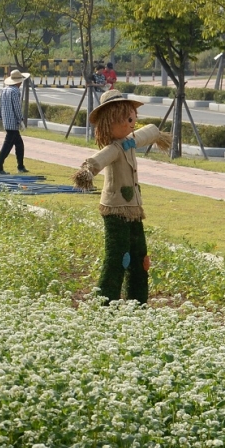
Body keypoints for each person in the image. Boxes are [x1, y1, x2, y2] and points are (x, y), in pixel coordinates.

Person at [73, 90, 171, 304]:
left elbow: (149, 133)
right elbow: (97, 160)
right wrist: (87, 171)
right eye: (125, 120)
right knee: (117, 257)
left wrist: (159, 136)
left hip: (135, 209)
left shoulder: (130, 140)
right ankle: (105, 301)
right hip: (115, 209)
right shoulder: (114, 148)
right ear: (109, 123)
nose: (131, 124)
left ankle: (138, 300)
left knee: (140, 257)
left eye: (132, 118)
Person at [0, 69, 31, 173]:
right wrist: (21, 120)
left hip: (6, 121)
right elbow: (17, 107)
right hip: (13, 122)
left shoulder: (4, 90)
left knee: (19, 144)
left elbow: (0, 105)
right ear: (19, 81)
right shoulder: (15, 91)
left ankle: (20, 166)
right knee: (7, 146)